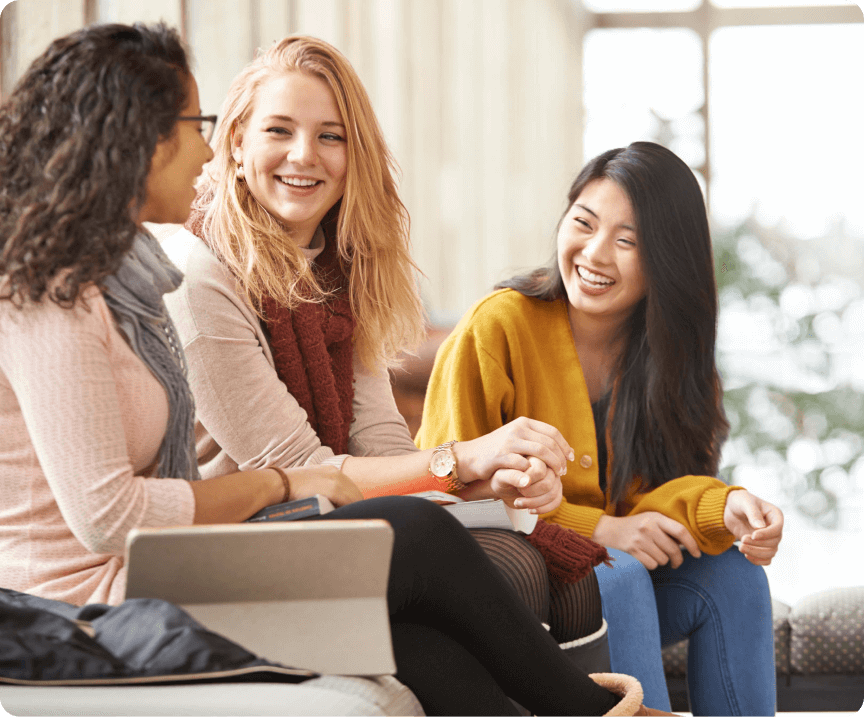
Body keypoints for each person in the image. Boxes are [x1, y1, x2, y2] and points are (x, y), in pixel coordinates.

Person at [0, 24, 671, 716]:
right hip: (96, 603)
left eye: (331, 135)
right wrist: (300, 480)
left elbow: (374, 446)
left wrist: (470, 472)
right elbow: (113, 516)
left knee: (423, 644)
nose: (204, 146)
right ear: (135, 138)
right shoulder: (60, 298)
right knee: (423, 538)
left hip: (167, 565)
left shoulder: (124, 284)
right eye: (197, 125)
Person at [158, 34, 609, 641]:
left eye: (330, 135)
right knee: (512, 567)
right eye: (278, 131)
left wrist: (489, 478)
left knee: (570, 574)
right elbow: (298, 468)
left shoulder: (340, 274)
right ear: (236, 144)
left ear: (355, 155)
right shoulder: (199, 275)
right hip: (236, 546)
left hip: (325, 520)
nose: (303, 155)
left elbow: (378, 450)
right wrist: (466, 456)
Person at [417, 141, 784, 717]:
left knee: (733, 573)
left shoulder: (673, 356)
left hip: (620, 589)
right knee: (616, 572)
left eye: (628, 240)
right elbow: (445, 493)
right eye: (583, 223)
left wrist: (727, 506)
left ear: (667, 258)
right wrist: (600, 530)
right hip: (513, 598)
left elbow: (653, 504)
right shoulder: (499, 327)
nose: (594, 253)